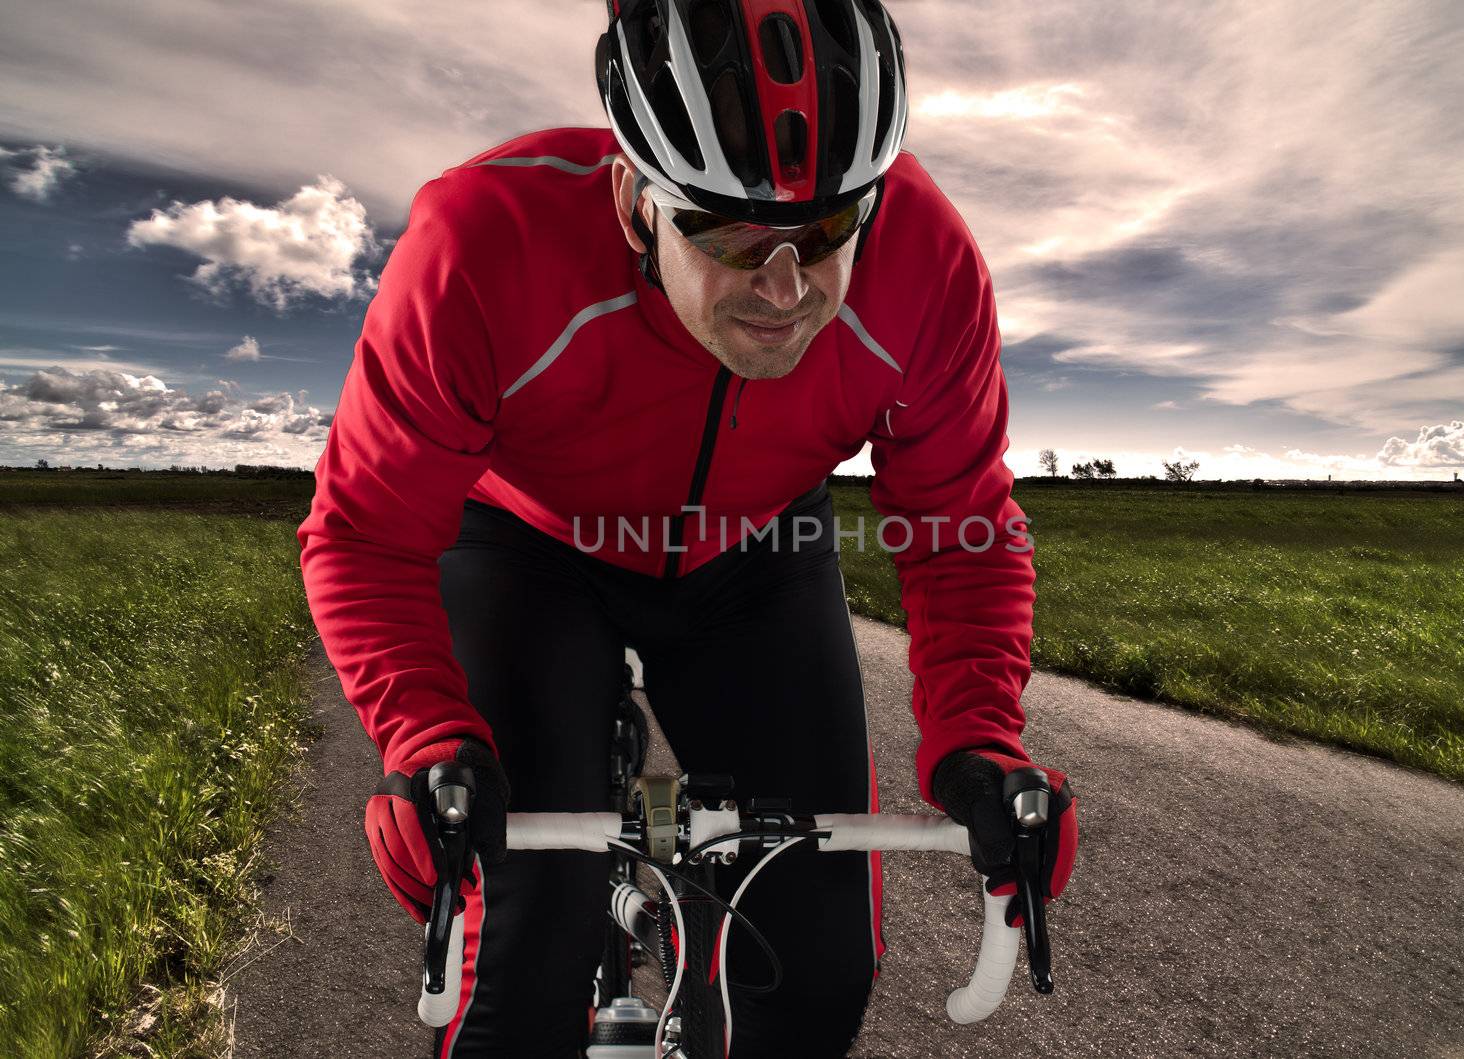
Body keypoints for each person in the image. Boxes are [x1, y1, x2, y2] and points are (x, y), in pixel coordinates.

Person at [296, 1, 1079, 1055]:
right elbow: (366, 532)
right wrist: (422, 732)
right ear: (634, 201)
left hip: (753, 552)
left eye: (828, 228)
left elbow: (958, 526)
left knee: (818, 983)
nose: (786, 289)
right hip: (529, 547)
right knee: (513, 980)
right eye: (729, 231)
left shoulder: (928, 265)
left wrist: (979, 736)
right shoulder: (478, 244)